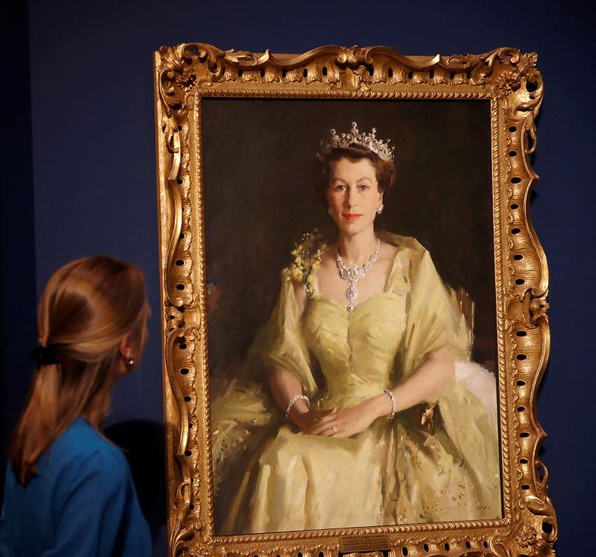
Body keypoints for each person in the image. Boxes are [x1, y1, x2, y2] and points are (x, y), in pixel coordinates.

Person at [211, 122, 501, 534]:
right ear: (326, 196)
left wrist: (370, 410)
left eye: (364, 187)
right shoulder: (305, 270)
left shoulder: (411, 265)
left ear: (381, 196)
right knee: (280, 462)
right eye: (340, 187)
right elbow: (281, 357)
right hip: (324, 417)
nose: (352, 200)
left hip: (392, 418)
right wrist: (302, 413)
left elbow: (442, 361)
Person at [0, 256, 153, 557]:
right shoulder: (98, 462)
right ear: (126, 344)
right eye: (143, 316)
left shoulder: (31, 446)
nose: (150, 319)